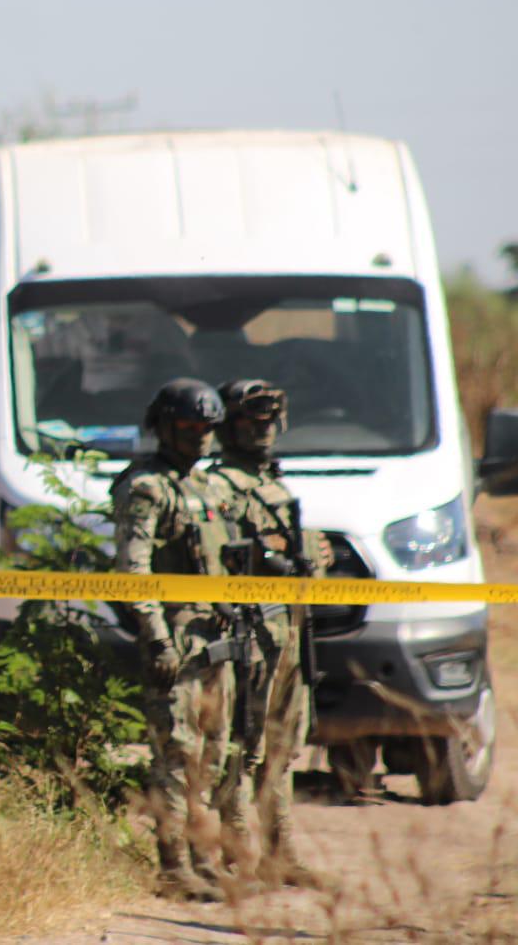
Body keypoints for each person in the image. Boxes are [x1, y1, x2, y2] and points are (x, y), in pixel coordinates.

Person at [111, 378, 234, 903]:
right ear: (163, 427)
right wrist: (157, 637)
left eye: (208, 427)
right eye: (189, 426)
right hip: (176, 637)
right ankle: (172, 866)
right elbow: (132, 568)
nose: (201, 436)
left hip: (217, 638)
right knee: (176, 755)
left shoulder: (210, 487)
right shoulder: (146, 488)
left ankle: (204, 859)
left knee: (213, 754)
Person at [206, 379, 331, 889]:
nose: (261, 431)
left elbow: (301, 564)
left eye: (268, 421)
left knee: (283, 745)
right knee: (242, 744)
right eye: (249, 421)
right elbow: (214, 561)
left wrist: (312, 559)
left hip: (288, 628)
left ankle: (280, 852)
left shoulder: (273, 483)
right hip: (247, 629)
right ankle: (238, 853)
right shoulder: (217, 487)